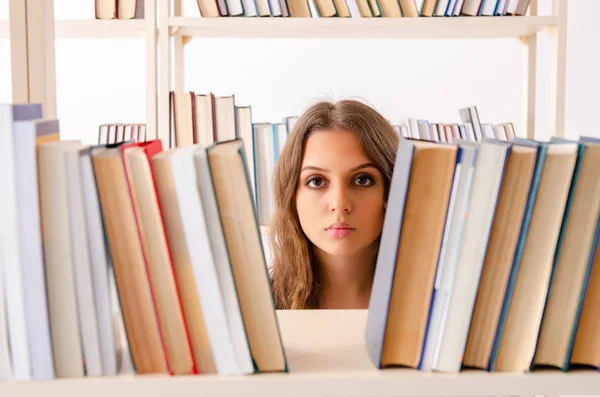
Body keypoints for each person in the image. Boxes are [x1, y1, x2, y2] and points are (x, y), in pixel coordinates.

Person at [269, 99, 399, 310]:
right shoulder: (251, 307)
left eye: (362, 180)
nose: (339, 204)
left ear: (394, 189)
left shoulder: (438, 307)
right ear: (291, 196)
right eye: (316, 181)